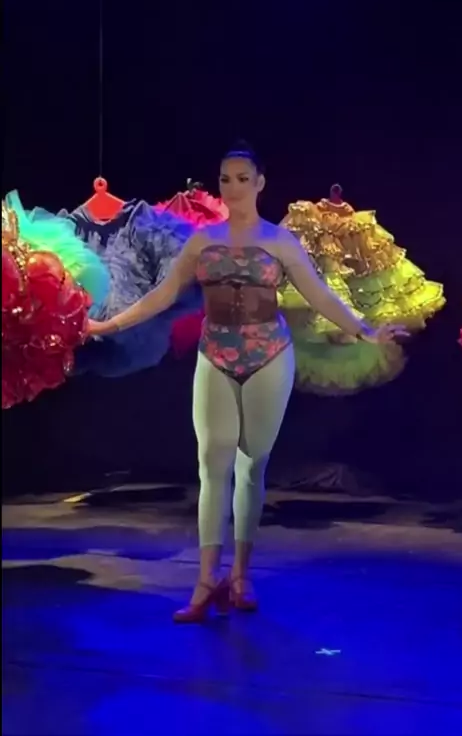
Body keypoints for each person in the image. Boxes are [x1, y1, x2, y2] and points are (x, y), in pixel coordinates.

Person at [88, 144, 408, 623]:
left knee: (252, 464)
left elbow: (319, 295)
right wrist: (106, 326)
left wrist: (366, 331)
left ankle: (240, 574)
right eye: (225, 179)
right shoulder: (202, 241)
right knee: (211, 465)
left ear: (259, 183)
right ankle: (205, 580)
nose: (232, 187)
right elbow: (162, 295)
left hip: (269, 355)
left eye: (242, 178)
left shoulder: (280, 241)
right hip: (215, 354)